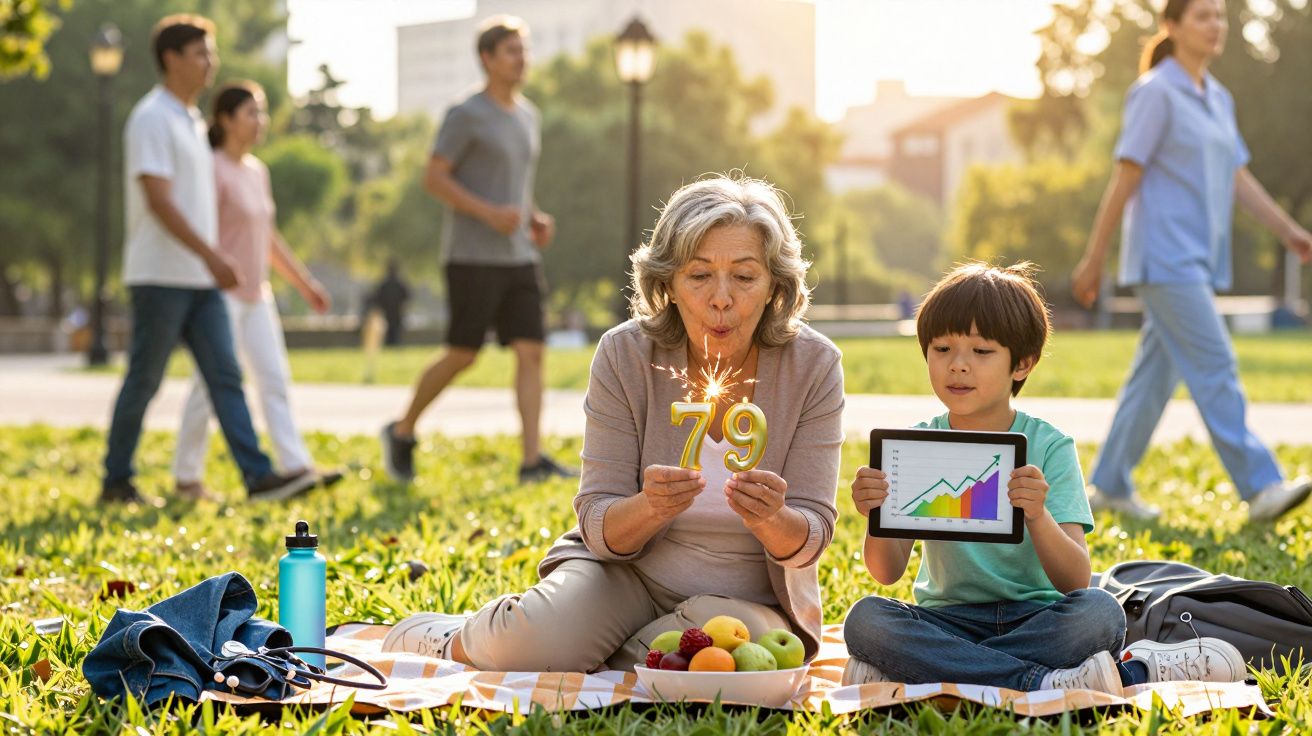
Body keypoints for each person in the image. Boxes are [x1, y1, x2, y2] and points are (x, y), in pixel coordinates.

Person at [379, 176, 843, 672]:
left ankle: (592, 646)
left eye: (745, 277)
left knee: (732, 657)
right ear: (667, 284)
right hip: (625, 576)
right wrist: (650, 507)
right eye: (699, 275)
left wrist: (772, 518)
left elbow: (813, 533)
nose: (721, 298)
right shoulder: (625, 354)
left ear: (775, 286)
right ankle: (456, 638)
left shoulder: (814, 366)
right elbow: (598, 521)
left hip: (748, 605)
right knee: (537, 645)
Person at [844, 263, 1246, 693]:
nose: (957, 366)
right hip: (948, 619)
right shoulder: (916, 445)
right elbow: (886, 572)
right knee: (866, 620)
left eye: (981, 352)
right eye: (942, 348)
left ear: (1022, 364)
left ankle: (934, 667)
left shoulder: (1050, 445)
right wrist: (877, 515)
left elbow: (1074, 579)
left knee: (1099, 613)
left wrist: (1037, 515)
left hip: (1036, 618)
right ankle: (1045, 680)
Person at [1071, 0, 1312, 523]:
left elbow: (1237, 178)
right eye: (1202, 16)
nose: (1215, 25)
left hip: (1197, 258)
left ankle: (1109, 484)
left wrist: (1290, 233)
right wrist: (1095, 257)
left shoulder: (1218, 97)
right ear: (1172, 26)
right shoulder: (1155, 92)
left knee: (1153, 377)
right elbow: (1125, 177)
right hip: (1164, 256)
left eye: (1219, 16)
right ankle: (1261, 485)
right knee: (1214, 364)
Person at [102, 15, 316, 504]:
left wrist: (208, 262)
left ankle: (258, 477)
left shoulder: (193, 121)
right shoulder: (152, 117)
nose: (211, 63)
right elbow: (158, 200)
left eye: (211, 53)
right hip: (160, 275)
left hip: (200, 279)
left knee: (226, 377)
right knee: (145, 379)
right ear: (171, 58)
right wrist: (212, 255)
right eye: (201, 53)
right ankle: (117, 479)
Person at [380, 15, 572, 484]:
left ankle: (531, 461)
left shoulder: (528, 115)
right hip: (472, 256)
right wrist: (487, 213)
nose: (522, 59)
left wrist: (533, 216)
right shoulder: (465, 114)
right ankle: (402, 431)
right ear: (487, 58)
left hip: (520, 255)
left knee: (532, 350)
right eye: (512, 51)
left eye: (524, 50)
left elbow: (516, 184)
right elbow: (434, 177)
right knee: (463, 353)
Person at [170, 81, 343, 501]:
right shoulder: (211, 168)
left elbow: (268, 239)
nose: (260, 121)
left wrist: (305, 283)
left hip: (257, 296)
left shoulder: (256, 171)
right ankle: (186, 477)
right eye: (251, 113)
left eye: (262, 112)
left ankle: (296, 466)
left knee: (274, 378)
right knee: (208, 386)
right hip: (220, 297)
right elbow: (199, 230)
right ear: (226, 120)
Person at [366, 259, 410, 347]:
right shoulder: (399, 284)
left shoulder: (385, 284)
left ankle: (391, 345)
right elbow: (407, 297)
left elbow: (376, 298)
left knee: (390, 331)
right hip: (395, 312)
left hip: (389, 312)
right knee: (394, 332)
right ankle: (393, 345)